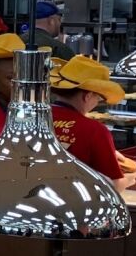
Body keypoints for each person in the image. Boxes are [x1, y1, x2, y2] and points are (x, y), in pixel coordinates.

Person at [47, 55, 127, 185]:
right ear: (88, 96)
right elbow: (112, 186)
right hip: (75, 201)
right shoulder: (94, 130)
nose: (97, 103)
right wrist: (131, 179)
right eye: (99, 98)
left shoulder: (32, 117)